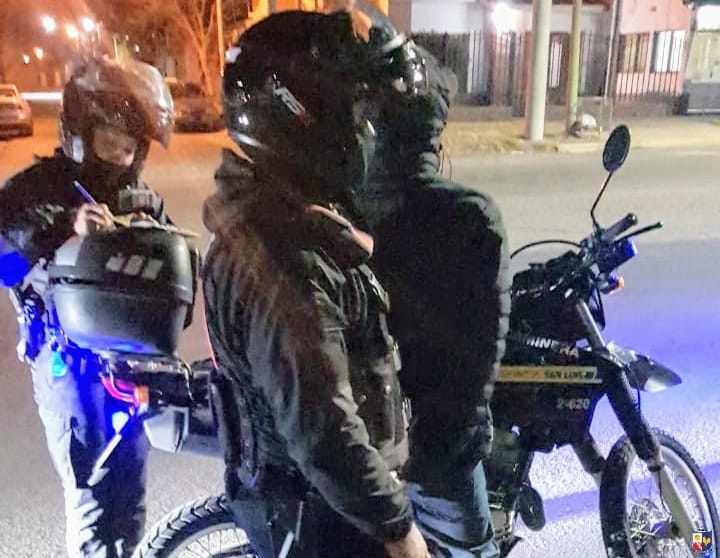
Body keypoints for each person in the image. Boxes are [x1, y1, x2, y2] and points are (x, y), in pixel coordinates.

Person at [201, 10, 432, 558]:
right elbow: (323, 430)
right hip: (330, 520)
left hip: (327, 506)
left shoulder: (284, 211)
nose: (366, 129)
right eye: (356, 110)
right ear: (301, 114)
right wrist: (398, 531)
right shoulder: (283, 256)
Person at [350, 7, 512, 557]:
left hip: (363, 452)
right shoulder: (470, 218)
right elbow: (477, 367)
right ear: (432, 131)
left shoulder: (343, 210)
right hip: (436, 463)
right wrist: (451, 450)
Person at [0, 57, 175, 557]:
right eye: (108, 142)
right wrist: (65, 230)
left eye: (128, 147)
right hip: (69, 368)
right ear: (80, 134)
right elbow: (5, 266)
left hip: (129, 362)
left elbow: (173, 273)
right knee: (92, 505)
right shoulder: (36, 189)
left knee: (129, 501)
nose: (118, 157)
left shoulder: (140, 196)